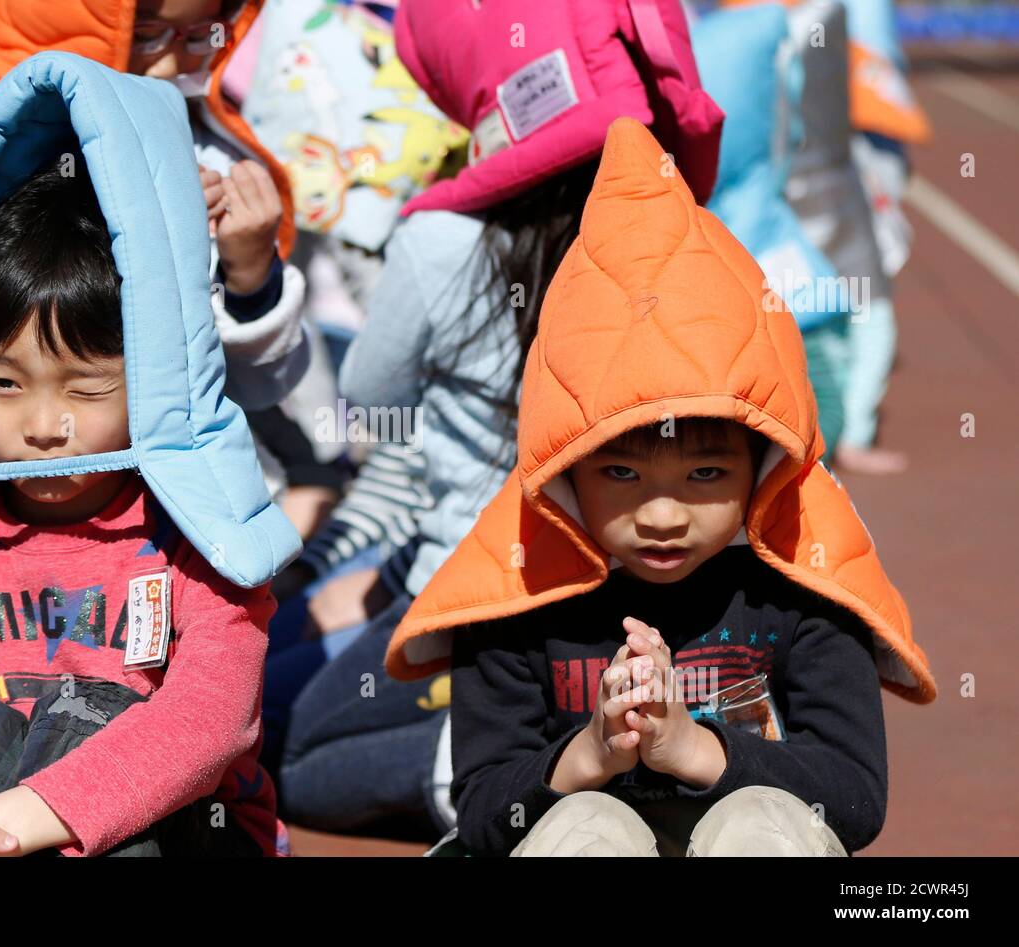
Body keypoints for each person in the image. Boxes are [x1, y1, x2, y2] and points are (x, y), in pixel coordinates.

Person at [384, 117, 937, 857]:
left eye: (706, 474)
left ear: (761, 465)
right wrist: (590, 756)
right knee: (591, 829)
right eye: (620, 473)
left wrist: (693, 748)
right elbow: (484, 813)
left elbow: (856, 797)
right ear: (566, 467)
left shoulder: (799, 586)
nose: (664, 514)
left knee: (762, 824)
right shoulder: (520, 594)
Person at [0, 54, 300, 856]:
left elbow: (207, 721)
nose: (45, 426)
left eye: (84, 390)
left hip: (160, 834)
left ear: (153, 378)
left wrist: (9, 828)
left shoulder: (195, 529)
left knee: (103, 719)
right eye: (4, 382)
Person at [275, 0, 724, 835]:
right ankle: (599, 739)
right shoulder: (676, 235)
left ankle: (495, 772)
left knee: (279, 739)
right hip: (634, 592)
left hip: (462, 589)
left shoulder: (442, 242)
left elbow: (372, 399)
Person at [0, 0, 311, 514]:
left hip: (117, 479)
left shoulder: (203, 150)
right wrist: (148, 212)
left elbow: (256, 377)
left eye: (198, 36)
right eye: (145, 35)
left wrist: (250, 269)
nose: (169, 65)